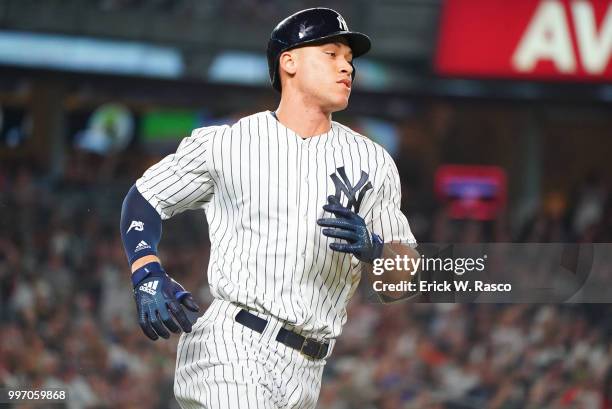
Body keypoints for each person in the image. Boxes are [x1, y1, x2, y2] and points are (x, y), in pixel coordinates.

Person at [120, 7, 418, 408]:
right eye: (331, 54)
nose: (346, 67)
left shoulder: (374, 161)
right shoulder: (227, 143)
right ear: (289, 62)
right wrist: (146, 271)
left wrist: (378, 251)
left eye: (349, 59)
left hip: (308, 371)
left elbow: (405, 281)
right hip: (231, 347)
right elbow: (145, 198)